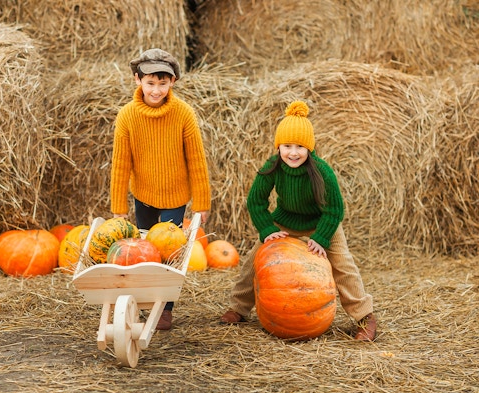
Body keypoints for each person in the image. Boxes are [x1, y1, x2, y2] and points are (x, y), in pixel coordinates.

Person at [220, 100, 377, 341]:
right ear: (278, 146)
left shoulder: (322, 171)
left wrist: (321, 237)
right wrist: (267, 229)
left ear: (310, 149)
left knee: (344, 266)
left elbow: (335, 209)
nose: (293, 152)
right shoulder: (273, 166)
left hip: (322, 222)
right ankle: (237, 308)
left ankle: (364, 317)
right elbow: (256, 201)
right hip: (286, 221)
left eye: (300, 146)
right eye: (287, 146)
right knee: (254, 260)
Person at [111, 48, 211, 330]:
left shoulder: (183, 114)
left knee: (168, 254)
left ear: (173, 82)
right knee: (144, 250)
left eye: (163, 83)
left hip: (175, 198)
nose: (156, 90)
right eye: (150, 83)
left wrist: (202, 202)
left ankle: (165, 307)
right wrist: (119, 208)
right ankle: (144, 301)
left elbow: (196, 160)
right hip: (143, 195)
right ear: (137, 80)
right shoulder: (127, 116)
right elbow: (120, 165)